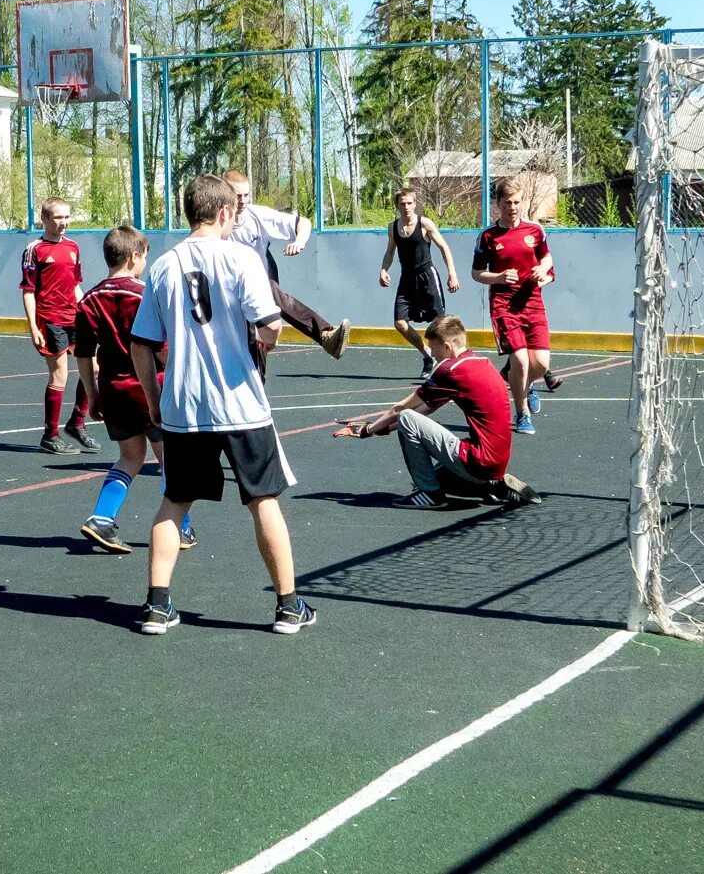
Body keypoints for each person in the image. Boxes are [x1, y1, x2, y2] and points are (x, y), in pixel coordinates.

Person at [127, 173, 316, 636]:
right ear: (226, 212)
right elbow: (270, 326)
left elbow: (142, 344)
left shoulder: (164, 265)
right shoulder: (241, 258)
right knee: (264, 500)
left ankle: (157, 606)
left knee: (173, 501)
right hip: (240, 404)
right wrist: (261, 339)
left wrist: (154, 401)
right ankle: (288, 607)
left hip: (184, 405)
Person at [74, 224, 197, 555]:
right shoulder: (144, 295)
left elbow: (83, 355)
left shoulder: (88, 299)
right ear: (134, 256)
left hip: (113, 392)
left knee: (129, 457)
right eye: (144, 256)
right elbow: (160, 350)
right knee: (169, 459)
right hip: (149, 391)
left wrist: (93, 394)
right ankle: (180, 528)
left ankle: (101, 517)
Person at [335, 314, 540, 511]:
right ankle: (493, 486)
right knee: (438, 475)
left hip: (479, 460)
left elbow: (403, 409)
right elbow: (428, 408)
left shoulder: (451, 369)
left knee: (407, 420)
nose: (432, 354)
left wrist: (366, 430)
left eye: (433, 348)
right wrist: (385, 428)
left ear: (447, 346)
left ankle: (430, 494)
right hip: (495, 461)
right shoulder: (481, 363)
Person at [223, 169, 350, 361]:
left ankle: (325, 335)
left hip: (257, 286)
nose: (243, 201)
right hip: (228, 291)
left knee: (267, 290)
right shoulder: (217, 221)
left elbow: (303, 223)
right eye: (237, 195)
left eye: (246, 195)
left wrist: (299, 241)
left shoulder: (257, 216)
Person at [472, 176, 561, 436]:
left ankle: (526, 384)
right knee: (520, 359)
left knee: (541, 365)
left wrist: (543, 270)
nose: (513, 207)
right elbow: (477, 273)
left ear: (523, 203)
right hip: (503, 304)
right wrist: (498, 277)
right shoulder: (488, 236)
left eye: (517, 202)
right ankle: (522, 414)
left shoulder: (535, 231)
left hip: (533, 301)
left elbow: (547, 257)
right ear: (498, 203)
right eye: (507, 202)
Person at [19, 196, 95, 456]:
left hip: (74, 317)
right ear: (45, 219)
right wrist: (33, 327)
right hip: (50, 319)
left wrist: (87, 309)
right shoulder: (35, 250)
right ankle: (50, 435)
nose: (64, 222)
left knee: (93, 368)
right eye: (58, 217)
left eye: (67, 217)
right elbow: (28, 291)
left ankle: (77, 422)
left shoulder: (73, 247)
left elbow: (75, 285)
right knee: (60, 374)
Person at [378, 187, 460, 376]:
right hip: (407, 279)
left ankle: (452, 362)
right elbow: (390, 252)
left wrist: (452, 273)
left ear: (415, 204)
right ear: (397, 205)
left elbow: (443, 247)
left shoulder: (424, 224)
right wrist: (383, 270)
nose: (406, 207)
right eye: (402, 203)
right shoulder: (393, 227)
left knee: (441, 322)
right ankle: (427, 355)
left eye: (409, 203)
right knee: (400, 322)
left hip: (427, 276)